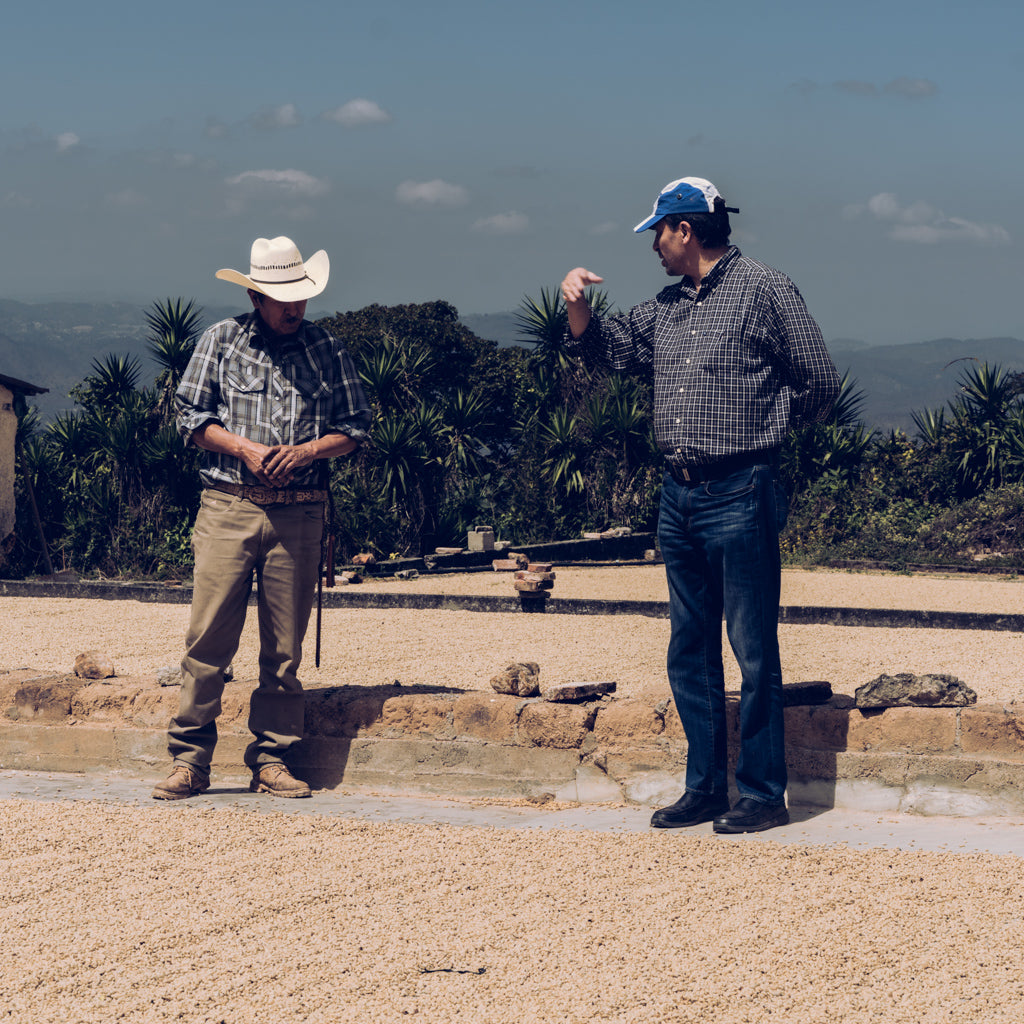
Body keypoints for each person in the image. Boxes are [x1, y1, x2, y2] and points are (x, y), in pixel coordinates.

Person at [561, 177, 839, 833]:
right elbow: (608, 350)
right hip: (677, 492)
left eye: (659, 231)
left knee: (751, 647)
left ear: (685, 230)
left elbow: (820, 382)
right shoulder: (667, 305)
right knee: (689, 649)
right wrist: (576, 310)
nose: (654, 244)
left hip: (742, 486)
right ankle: (706, 787)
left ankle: (764, 795)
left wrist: (765, 431)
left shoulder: (767, 288)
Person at [152, 236, 372, 800]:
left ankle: (272, 758)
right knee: (208, 641)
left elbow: (356, 427)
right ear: (255, 296)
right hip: (227, 505)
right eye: (281, 298)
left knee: (284, 647)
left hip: (300, 512)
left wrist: (307, 453)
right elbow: (191, 417)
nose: (294, 307)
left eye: (299, 296)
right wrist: (243, 449)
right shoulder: (220, 342)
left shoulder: (329, 349)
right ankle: (190, 760)